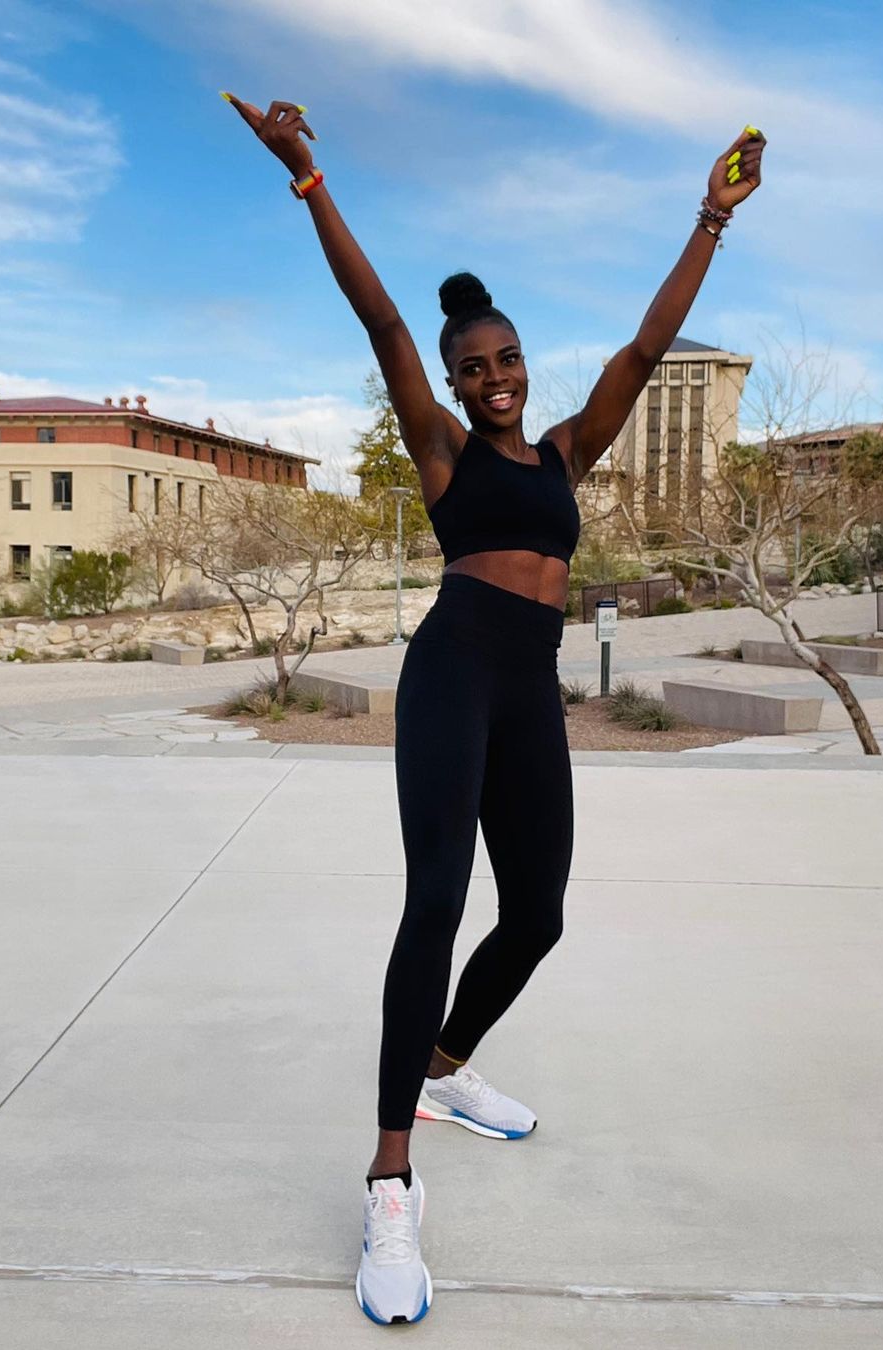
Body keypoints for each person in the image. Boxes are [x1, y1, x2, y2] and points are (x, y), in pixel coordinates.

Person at [223, 92, 765, 1325]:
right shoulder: (444, 453)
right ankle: (389, 1180)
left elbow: (643, 351)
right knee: (436, 903)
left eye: (505, 360)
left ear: (525, 362)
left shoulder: (566, 454)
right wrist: (308, 179)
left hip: (531, 685)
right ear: (458, 385)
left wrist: (711, 217)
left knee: (538, 915)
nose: (493, 378)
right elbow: (381, 322)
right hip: (454, 669)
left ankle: (443, 1066)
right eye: (473, 368)